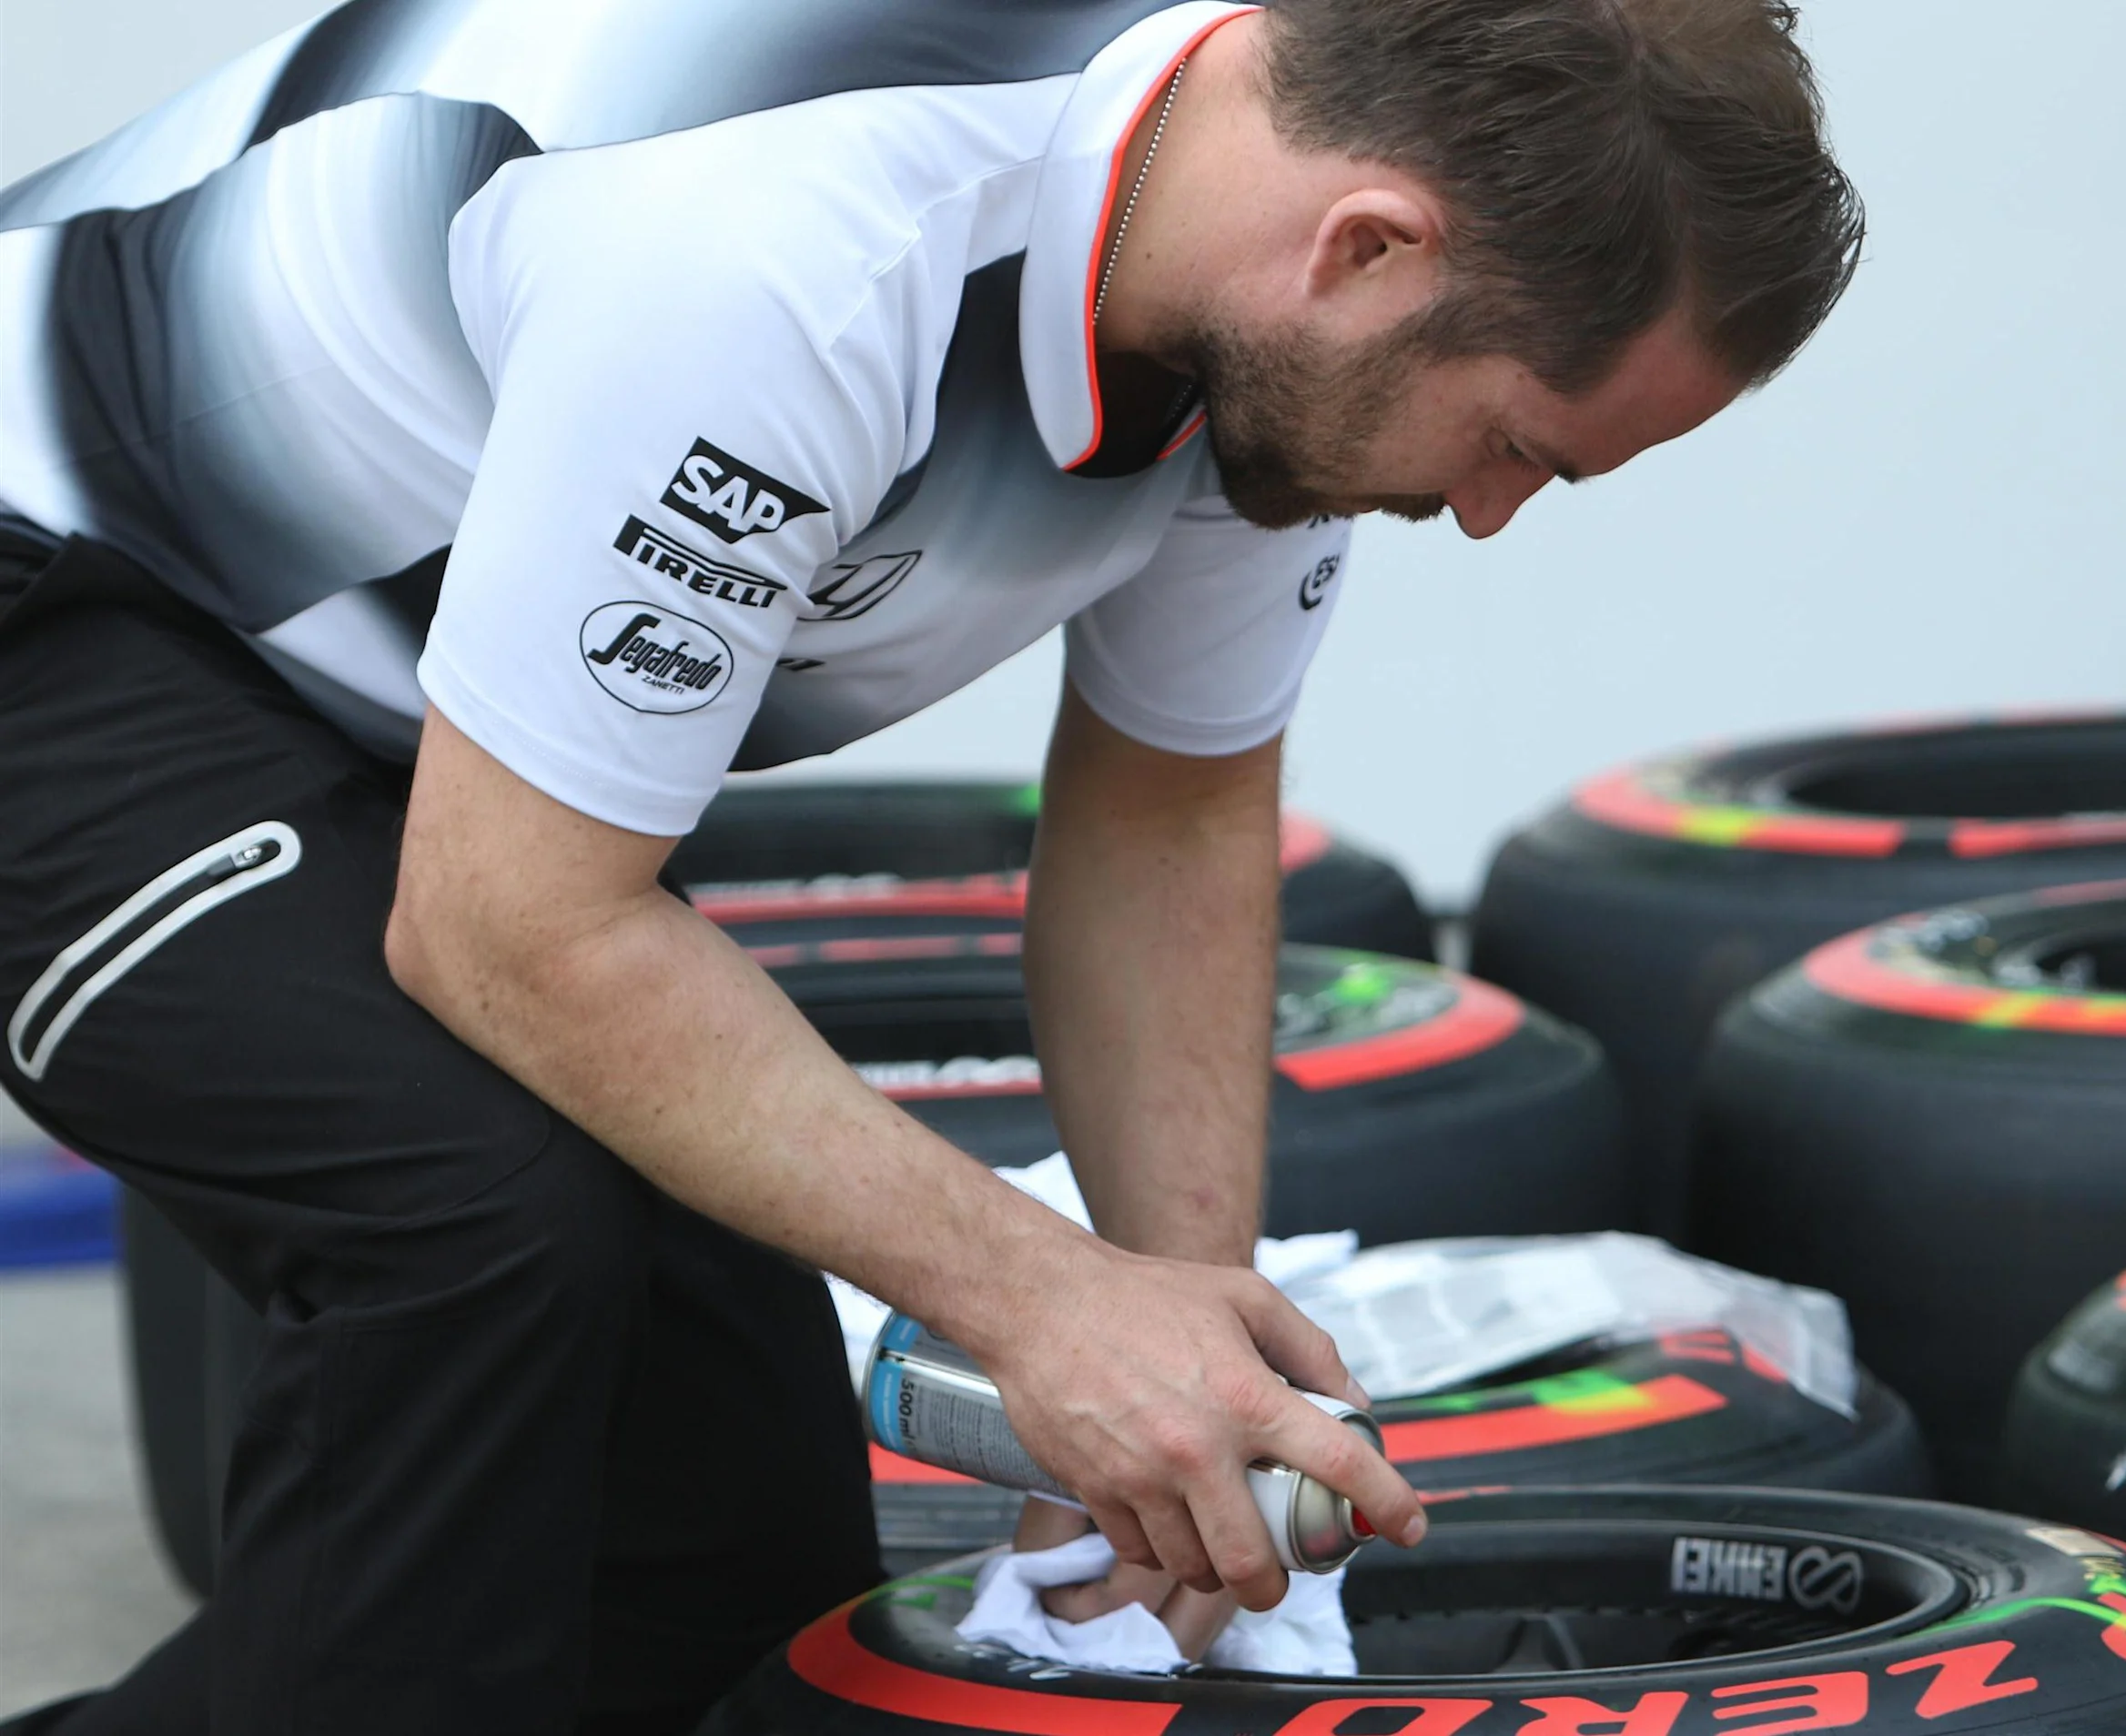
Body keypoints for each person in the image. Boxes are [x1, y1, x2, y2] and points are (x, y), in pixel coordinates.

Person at [0, 0, 1861, 1729]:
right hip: (57, 587)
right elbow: (512, 928)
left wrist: (1180, 1372)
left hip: (346, 689)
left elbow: (1170, 814)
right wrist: (1049, 1309)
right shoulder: (789, 251)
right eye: (1516, 445)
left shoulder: (1256, 301)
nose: (1481, 514)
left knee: (721, 1503)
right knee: (483, 1232)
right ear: (1368, 247)